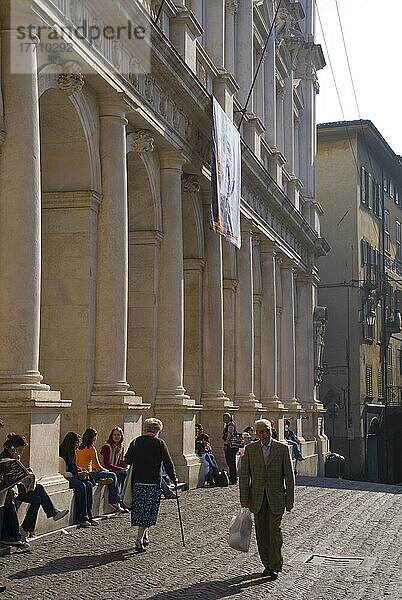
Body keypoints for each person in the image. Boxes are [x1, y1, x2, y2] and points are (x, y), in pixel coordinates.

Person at [239, 419, 295, 580]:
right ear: (256, 434)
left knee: (274, 531)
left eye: (267, 431)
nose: (265, 434)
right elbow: (244, 476)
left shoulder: (282, 449)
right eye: (261, 432)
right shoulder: (250, 450)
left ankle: (276, 565)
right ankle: (267, 564)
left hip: (276, 497)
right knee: (261, 533)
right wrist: (244, 498)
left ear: (272, 430)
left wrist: (289, 499)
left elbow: (289, 476)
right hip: (257, 497)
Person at [0, 434, 69, 540]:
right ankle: (53, 512)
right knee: (40, 488)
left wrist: (26, 471)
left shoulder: (14, 456)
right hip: (10, 491)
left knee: (37, 498)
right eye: (19, 449)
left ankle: (26, 528)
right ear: (12, 447)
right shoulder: (5, 457)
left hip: (17, 489)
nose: (21, 452)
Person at [124, 418, 177, 553]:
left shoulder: (136, 442)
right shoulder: (159, 443)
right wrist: (173, 477)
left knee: (142, 509)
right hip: (152, 482)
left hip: (138, 481)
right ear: (158, 430)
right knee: (149, 511)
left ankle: (145, 536)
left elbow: (127, 459)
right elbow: (168, 462)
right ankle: (139, 539)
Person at [76, 428, 127, 513]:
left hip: (83, 471)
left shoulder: (79, 448)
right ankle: (115, 502)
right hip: (89, 473)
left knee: (114, 476)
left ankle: (101, 480)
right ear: (93, 438)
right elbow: (98, 466)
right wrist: (106, 471)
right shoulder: (91, 449)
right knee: (112, 475)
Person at [59, 432, 97, 528]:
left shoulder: (73, 453)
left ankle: (89, 515)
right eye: (77, 443)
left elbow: (73, 467)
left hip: (72, 475)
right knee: (81, 486)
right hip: (66, 477)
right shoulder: (62, 454)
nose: (78, 445)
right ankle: (82, 517)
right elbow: (63, 473)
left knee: (88, 484)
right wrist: (78, 474)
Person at [222, 413, 238, 485]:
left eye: (226, 418)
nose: (224, 419)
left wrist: (226, 443)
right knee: (231, 463)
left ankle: (233, 478)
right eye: (224, 418)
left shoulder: (230, 425)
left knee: (230, 462)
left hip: (230, 446)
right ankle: (233, 478)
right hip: (232, 446)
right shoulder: (229, 425)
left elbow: (229, 435)